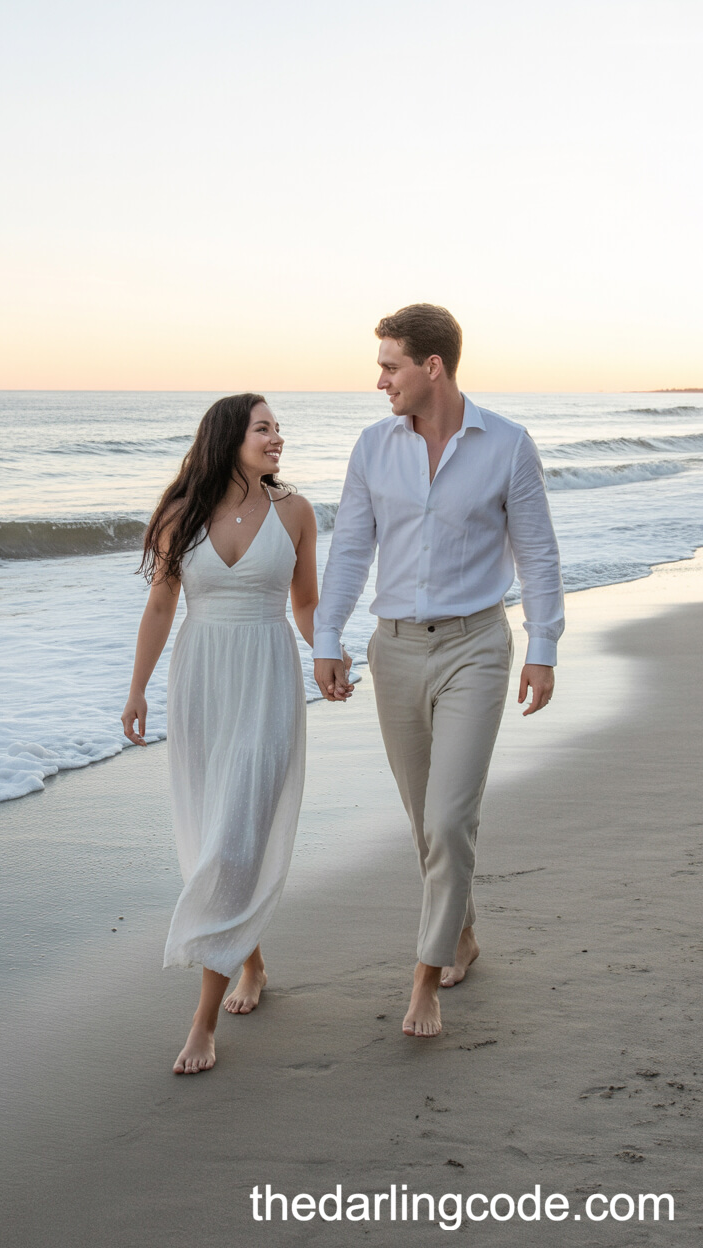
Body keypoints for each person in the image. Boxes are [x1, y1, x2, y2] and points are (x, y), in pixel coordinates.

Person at [313, 304, 564, 1039]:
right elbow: (352, 551)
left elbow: (538, 555)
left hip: (476, 648)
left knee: (453, 816)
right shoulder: (371, 447)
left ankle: (425, 978)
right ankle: (463, 932)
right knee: (428, 820)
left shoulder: (508, 445)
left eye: (390, 364)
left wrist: (543, 647)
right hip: (393, 652)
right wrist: (327, 637)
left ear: (433, 368)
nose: (379, 379)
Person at [122, 394, 321, 1075]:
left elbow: (306, 603)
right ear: (230, 437)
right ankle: (250, 962)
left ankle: (202, 1025)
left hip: (267, 681)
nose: (277, 438)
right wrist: (137, 688)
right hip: (201, 682)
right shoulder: (183, 514)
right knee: (214, 835)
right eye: (264, 428)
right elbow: (160, 603)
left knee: (237, 836)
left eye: (277, 429)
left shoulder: (294, 512)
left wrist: (329, 656)